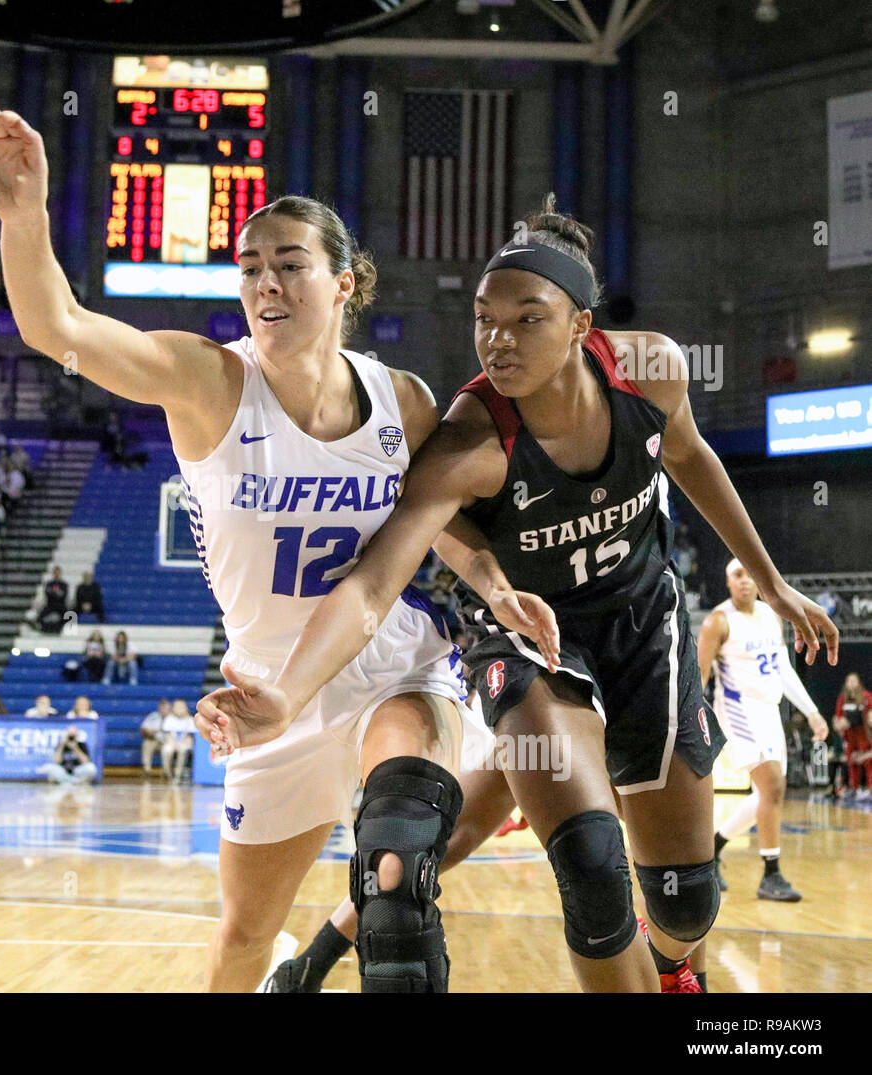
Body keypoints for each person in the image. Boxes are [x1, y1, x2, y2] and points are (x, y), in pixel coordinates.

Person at [0, 104, 553, 993]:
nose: (265, 283)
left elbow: (440, 528)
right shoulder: (208, 380)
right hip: (268, 691)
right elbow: (61, 330)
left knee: (396, 868)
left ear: (346, 282)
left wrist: (496, 583)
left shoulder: (406, 400)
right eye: (250, 269)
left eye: (289, 264)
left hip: (393, 668)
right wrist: (23, 217)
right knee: (243, 936)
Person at [199, 195, 839, 995]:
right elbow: (372, 582)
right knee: (594, 873)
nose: (498, 340)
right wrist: (289, 694)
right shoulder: (469, 437)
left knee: (683, 899)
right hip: (531, 642)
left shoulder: (652, 369)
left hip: (642, 620)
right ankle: (327, 954)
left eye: (526, 320)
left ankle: (678, 965)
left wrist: (774, 582)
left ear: (581, 326)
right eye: (483, 319)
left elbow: (693, 455)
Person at [701, 559, 828, 901]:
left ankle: (712, 849)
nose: (744, 581)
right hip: (738, 711)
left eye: (749, 575)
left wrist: (812, 712)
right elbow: (699, 677)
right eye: (737, 575)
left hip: (769, 711)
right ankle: (771, 875)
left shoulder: (771, 616)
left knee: (766, 796)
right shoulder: (718, 621)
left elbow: (784, 669)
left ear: (758, 581)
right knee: (772, 786)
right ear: (728, 582)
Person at [835, 673, 872, 798]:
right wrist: (840, 726)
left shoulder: (867, 696)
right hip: (850, 735)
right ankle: (854, 788)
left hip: (864, 733)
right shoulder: (843, 698)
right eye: (848, 681)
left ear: (859, 683)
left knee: (867, 761)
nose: (851, 684)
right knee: (852, 760)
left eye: (853, 681)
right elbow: (838, 718)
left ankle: (870, 789)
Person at [161, 697, 198, 785]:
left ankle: (178, 775)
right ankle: (169, 774)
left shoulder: (190, 720)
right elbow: (168, 735)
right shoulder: (169, 719)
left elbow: (190, 736)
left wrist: (181, 744)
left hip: (185, 743)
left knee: (183, 750)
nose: (179, 709)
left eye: (182, 707)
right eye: (177, 707)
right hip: (171, 742)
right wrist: (173, 745)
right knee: (167, 750)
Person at [140, 698, 171, 777]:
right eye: (162, 707)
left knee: (167, 748)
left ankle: (166, 772)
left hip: (168, 741)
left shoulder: (172, 718)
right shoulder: (153, 716)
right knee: (147, 744)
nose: (163, 710)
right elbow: (143, 728)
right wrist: (149, 731)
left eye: (165, 708)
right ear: (159, 708)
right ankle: (147, 770)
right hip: (154, 739)